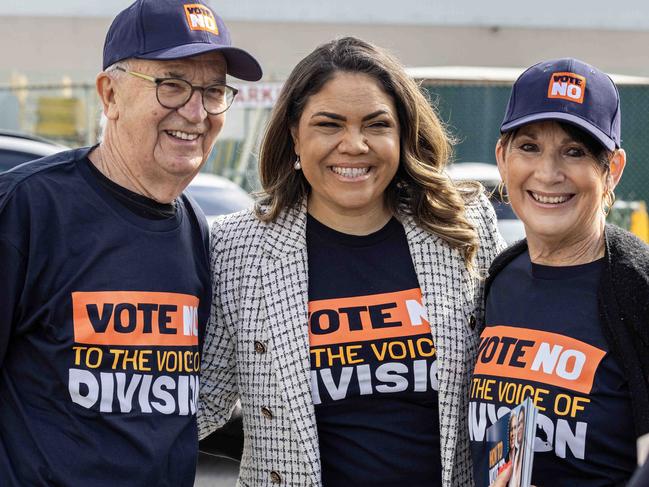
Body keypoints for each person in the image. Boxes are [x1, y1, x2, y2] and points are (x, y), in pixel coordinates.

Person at [199, 36, 505, 486]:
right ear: (294, 135)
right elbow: (197, 404)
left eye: (376, 124)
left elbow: (514, 374)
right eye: (329, 124)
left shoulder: (461, 224)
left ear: (401, 134)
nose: (354, 144)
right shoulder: (236, 248)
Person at [0, 0, 261, 485]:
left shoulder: (196, 231)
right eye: (172, 85)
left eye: (213, 90)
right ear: (110, 94)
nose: (196, 111)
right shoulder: (27, 210)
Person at [469, 58, 649, 487]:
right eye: (529, 147)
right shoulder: (499, 278)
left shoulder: (638, 288)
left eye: (575, 151)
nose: (548, 174)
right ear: (502, 158)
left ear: (613, 170)